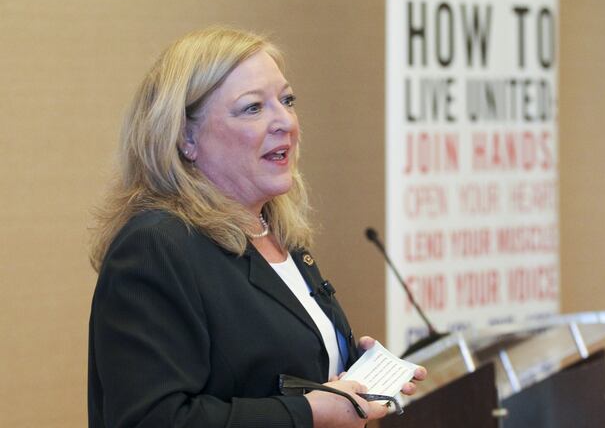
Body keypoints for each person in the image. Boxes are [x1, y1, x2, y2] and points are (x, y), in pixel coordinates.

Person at [88, 26, 426, 428]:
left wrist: (352, 372)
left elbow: (266, 371)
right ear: (185, 138)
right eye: (252, 107)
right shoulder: (155, 247)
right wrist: (311, 413)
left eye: (287, 100)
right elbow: (152, 419)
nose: (285, 121)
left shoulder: (276, 234)